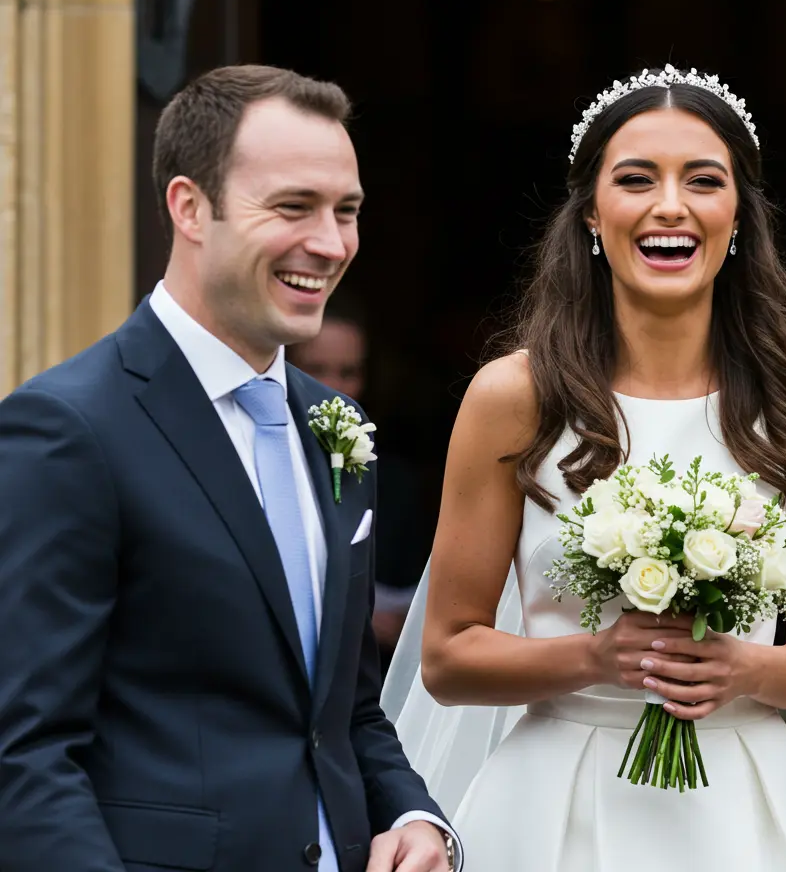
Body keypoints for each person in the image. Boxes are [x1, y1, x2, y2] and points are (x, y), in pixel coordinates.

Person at [381, 64, 786, 870]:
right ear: (592, 218)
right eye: (636, 180)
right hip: (552, 803)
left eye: (702, 181)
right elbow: (448, 655)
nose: (669, 206)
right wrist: (598, 658)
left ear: (737, 214)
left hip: (742, 802)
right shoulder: (514, 398)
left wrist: (747, 667)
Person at [0, 65, 460, 872]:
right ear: (189, 207)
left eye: (346, 212)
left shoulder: (338, 428)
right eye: (292, 207)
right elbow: (25, 756)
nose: (330, 243)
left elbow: (343, 711)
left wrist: (419, 820)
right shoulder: (69, 429)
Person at [289, 302, 430, 670]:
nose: (332, 387)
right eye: (314, 369)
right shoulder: (252, 459)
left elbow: (416, 599)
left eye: (348, 372)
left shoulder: (394, 481)